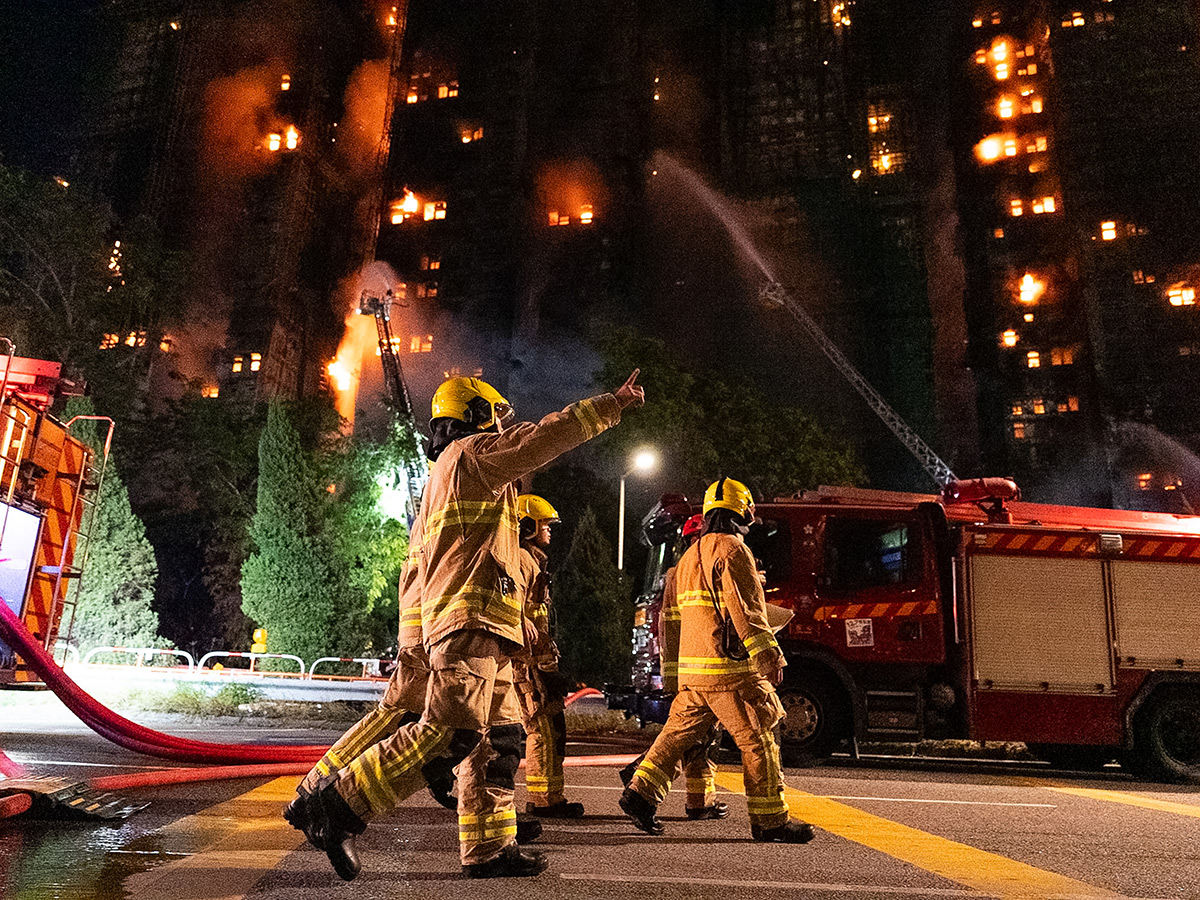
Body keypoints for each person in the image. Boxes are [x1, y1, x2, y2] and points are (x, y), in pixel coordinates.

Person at [294, 371, 644, 880]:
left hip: (487, 633)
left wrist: (418, 642)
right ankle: (340, 806)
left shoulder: (448, 478)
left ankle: (489, 847)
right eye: (497, 416)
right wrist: (610, 405)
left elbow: (418, 568)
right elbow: (542, 437)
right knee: (450, 736)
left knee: (497, 746)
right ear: (476, 415)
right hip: (469, 627)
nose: (503, 426)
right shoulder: (472, 457)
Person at [618, 478, 815, 844]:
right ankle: (770, 819)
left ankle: (640, 795)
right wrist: (770, 657)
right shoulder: (733, 550)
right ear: (742, 510)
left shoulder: (688, 557)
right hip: (730, 671)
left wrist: (673, 675)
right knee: (760, 737)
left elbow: (671, 619)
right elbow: (747, 613)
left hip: (695, 673)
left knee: (676, 736)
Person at [619, 513, 727, 820]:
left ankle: (700, 801)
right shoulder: (687, 571)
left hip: (695, 667)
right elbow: (670, 628)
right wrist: (671, 678)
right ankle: (641, 779)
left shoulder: (689, 570)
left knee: (702, 737)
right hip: (698, 668)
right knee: (689, 735)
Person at [512, 493, 583, 818]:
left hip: (538, 661)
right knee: (540, 730)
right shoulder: (522, 561)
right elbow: (514, 609)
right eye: (545, 524)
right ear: (526, 526)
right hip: (527, 665)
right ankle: (543, 801)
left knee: (552, 729)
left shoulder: (533, 561)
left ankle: (551, 797)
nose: (550, 529)